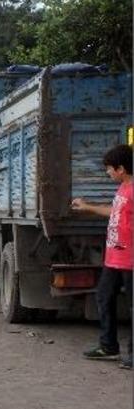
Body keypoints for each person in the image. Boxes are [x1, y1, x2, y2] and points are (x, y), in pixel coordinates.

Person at [72, 144, 133, 368]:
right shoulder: (123, 188)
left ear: (121, 169)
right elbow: (113, 211)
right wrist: (87, 206)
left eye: (109, 169)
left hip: (130, 259)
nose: (107, 173)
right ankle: (109, 347)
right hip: (114, 258)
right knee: (104, 297)